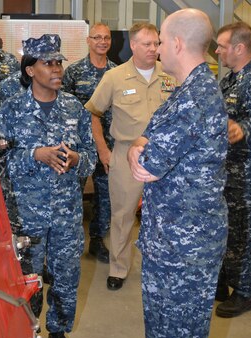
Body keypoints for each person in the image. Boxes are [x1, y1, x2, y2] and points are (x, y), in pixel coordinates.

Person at [127, 9, 228, 338]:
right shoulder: (190, 90)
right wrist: (141, 146)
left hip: (186, 247)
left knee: (180, 335)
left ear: (179, 45)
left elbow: (147, 162)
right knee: (166, 332)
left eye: (163, 41)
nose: (159, 48)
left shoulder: (195, 97)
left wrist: (136, 152)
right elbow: (150, 141)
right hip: (173, 239)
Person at [0, 34, 96, 338]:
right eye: (48, 63)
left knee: (66, 277)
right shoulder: (11, 111)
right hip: (27, 216)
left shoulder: (74, 108)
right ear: (30, 69)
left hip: (67, 214)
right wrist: (34, 155)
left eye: (59, 62)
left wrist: (77, 159)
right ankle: (27, 334)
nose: (57, 69)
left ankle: (57, 335)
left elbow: (92, 158)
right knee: (28, 279)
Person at [85, 23, 175, 290]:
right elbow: (93, 113)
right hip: (125, 155)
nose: (153, 49)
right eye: (147, 44)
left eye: (156, 43)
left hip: (165, 157)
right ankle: (118, 268)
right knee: (122, 215)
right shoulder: (114, 77)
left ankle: (162, 269)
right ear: (133, 45)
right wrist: (104, 150)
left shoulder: (171, 76)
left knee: (166, 217)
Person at [214, 21, 251, 318]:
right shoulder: (231, 80)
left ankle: (245, 292)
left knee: (245, 234)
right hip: (227, 171)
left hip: (248, 174)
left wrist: (239, 128)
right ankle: (225, 281)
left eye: (222, 46)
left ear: (240, 48)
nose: (217, 51)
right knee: (228, 229)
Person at [62, 23, 117, 264]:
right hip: (81, 146)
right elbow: (62, 107)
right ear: (88, 40)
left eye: (106, 38)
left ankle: (97, 241)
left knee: (105, 197)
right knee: (73, 195)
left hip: (108, 146)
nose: (102, 42)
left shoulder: (117, 72)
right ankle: (70, 243)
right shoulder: (73, 72)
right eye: (97, 37)